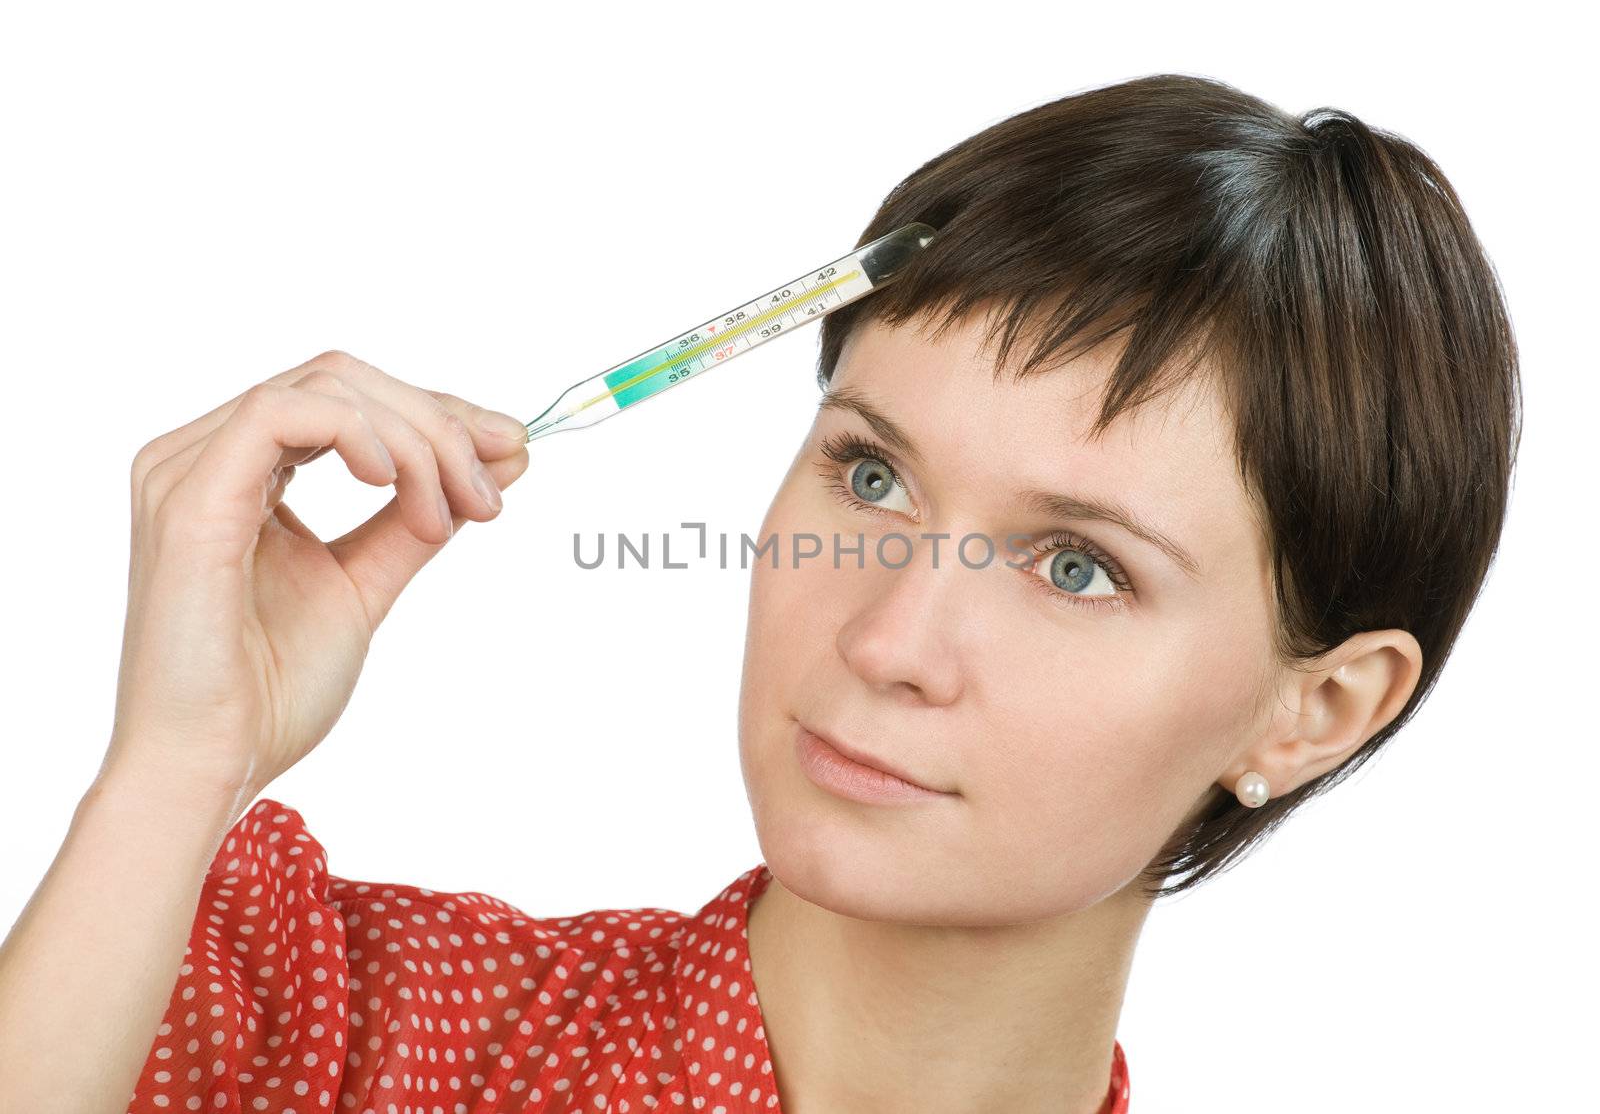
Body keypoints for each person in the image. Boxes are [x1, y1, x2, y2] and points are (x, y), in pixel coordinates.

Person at [0, 72, 1520, 1114]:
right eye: (870, 476)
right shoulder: (334, 1025)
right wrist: (173, 769)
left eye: (1078, 566)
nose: (886, 638)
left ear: (1317, 713)